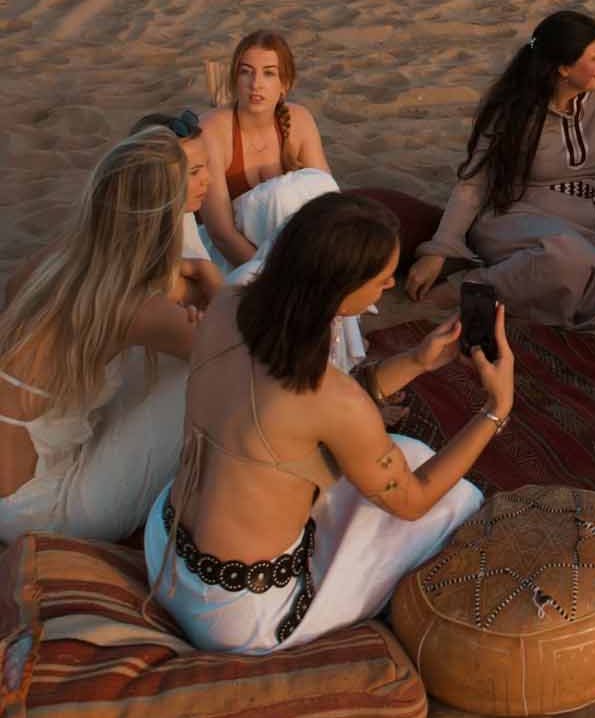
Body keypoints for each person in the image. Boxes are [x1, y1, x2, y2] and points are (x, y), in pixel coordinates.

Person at [145, 192, 508, 654]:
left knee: (407, 453)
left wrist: (417, 360)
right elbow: (413, 501)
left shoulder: (229, 303)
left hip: (165, 550)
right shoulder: (332, 399)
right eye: (380, 279)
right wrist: (495, 409)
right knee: (456, 500)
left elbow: (313, 408)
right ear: (339, 288)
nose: (389, 284)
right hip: (233, 613)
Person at [0, 132, 196, 543]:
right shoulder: (133, 308)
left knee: (157, 357)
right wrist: (211, 280)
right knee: (197, 377)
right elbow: (232, 353)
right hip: (37, 510)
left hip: (19, 477)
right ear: (162, 221)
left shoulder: (55, 262)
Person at [405, 10, 595, 336]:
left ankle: (513, 284)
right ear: (564, 68)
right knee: (568, 258)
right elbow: (474, 181)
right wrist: (440, 249)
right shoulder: (514, 108)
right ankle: (468, 287)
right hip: (514, 213)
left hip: (581, 215)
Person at [197, 30, 330, 271]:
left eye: (269, 73)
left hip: (288, 249)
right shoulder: (212, 129)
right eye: (246, 72)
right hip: (226, 256)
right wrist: (270, 278)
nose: (255, 84)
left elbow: (326, 198)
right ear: (234, 80)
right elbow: (221, 234)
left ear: (284, 84)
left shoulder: (299, 120)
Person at [131, 109, 223, 309]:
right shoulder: (141, 254)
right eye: (194, 172)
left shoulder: (182, 213)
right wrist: (204, 270)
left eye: (206, 166)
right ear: (156, 180)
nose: (208, 179)